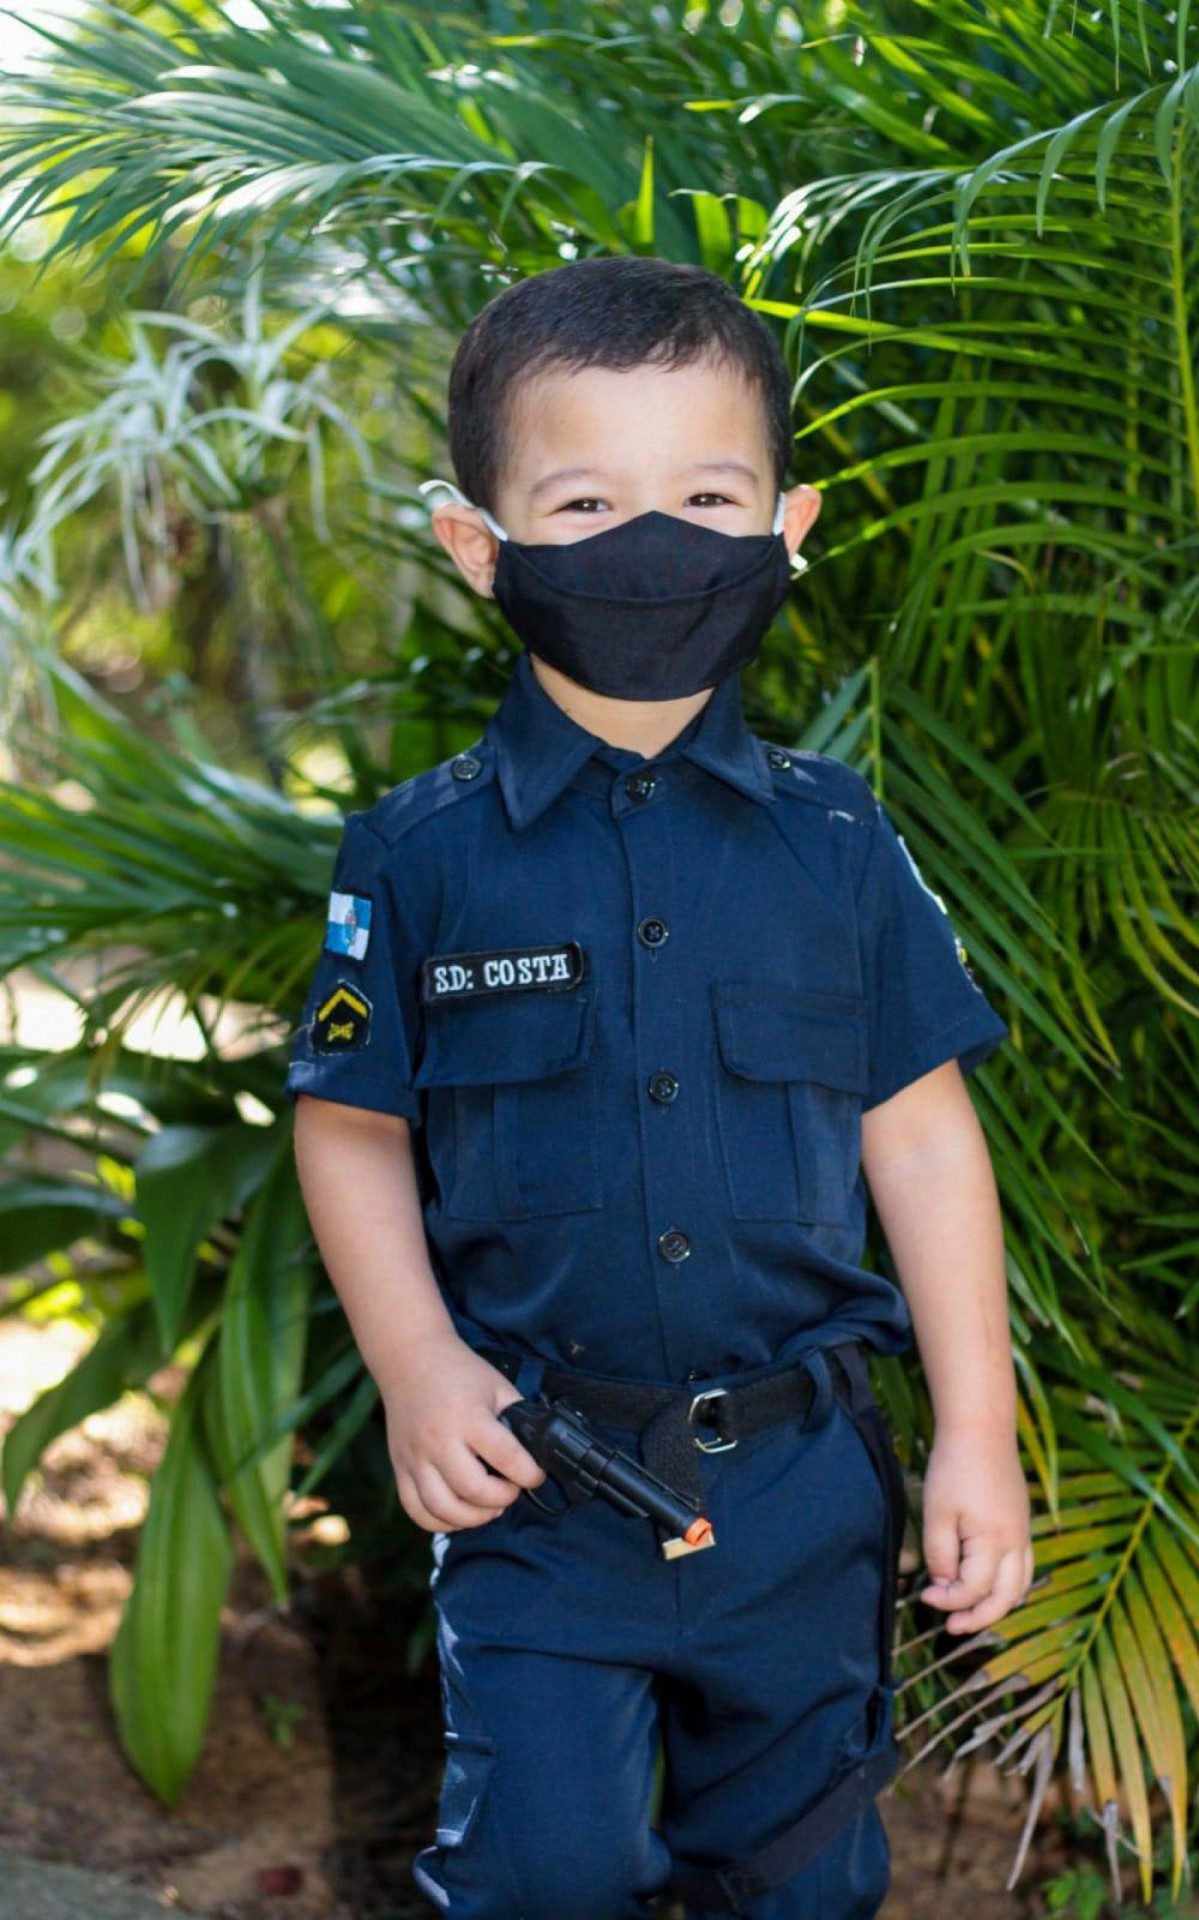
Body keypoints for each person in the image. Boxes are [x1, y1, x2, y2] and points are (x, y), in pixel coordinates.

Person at [283, 255, 1033, 1919]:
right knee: (539, 1869)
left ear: (791, 525)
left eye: (708, 492)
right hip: (539, 1485)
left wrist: (975, 1433)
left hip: (797, 1488)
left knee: (799, 1874)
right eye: (587, 499)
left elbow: (920, 1133)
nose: (655, 540)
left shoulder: (840, 844)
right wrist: (416, 1369)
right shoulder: (415, 859)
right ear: (478, 546)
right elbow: (348, 1124)